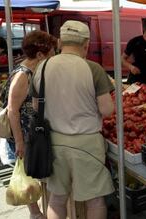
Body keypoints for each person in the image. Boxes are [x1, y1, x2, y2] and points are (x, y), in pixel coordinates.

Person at [31, 20, 114, 219]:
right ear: (86, 44)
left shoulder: (42, 67)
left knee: (57, 199)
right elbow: (107, 109)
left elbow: (36, 107)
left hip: (54, 141)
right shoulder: (93, 69)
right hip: (87, 143)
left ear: (60, 42)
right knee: (94, 200)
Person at [0, 30, 57, 219]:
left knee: (33, 173)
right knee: (29, 174)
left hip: (28, 131)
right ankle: (36, 213)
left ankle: (38, 212)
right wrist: (20, 142)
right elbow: (12, 110)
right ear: (40, 54)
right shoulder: (23, 74)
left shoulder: (32, 70)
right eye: (51, 52)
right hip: (23, 134)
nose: (54, 55)